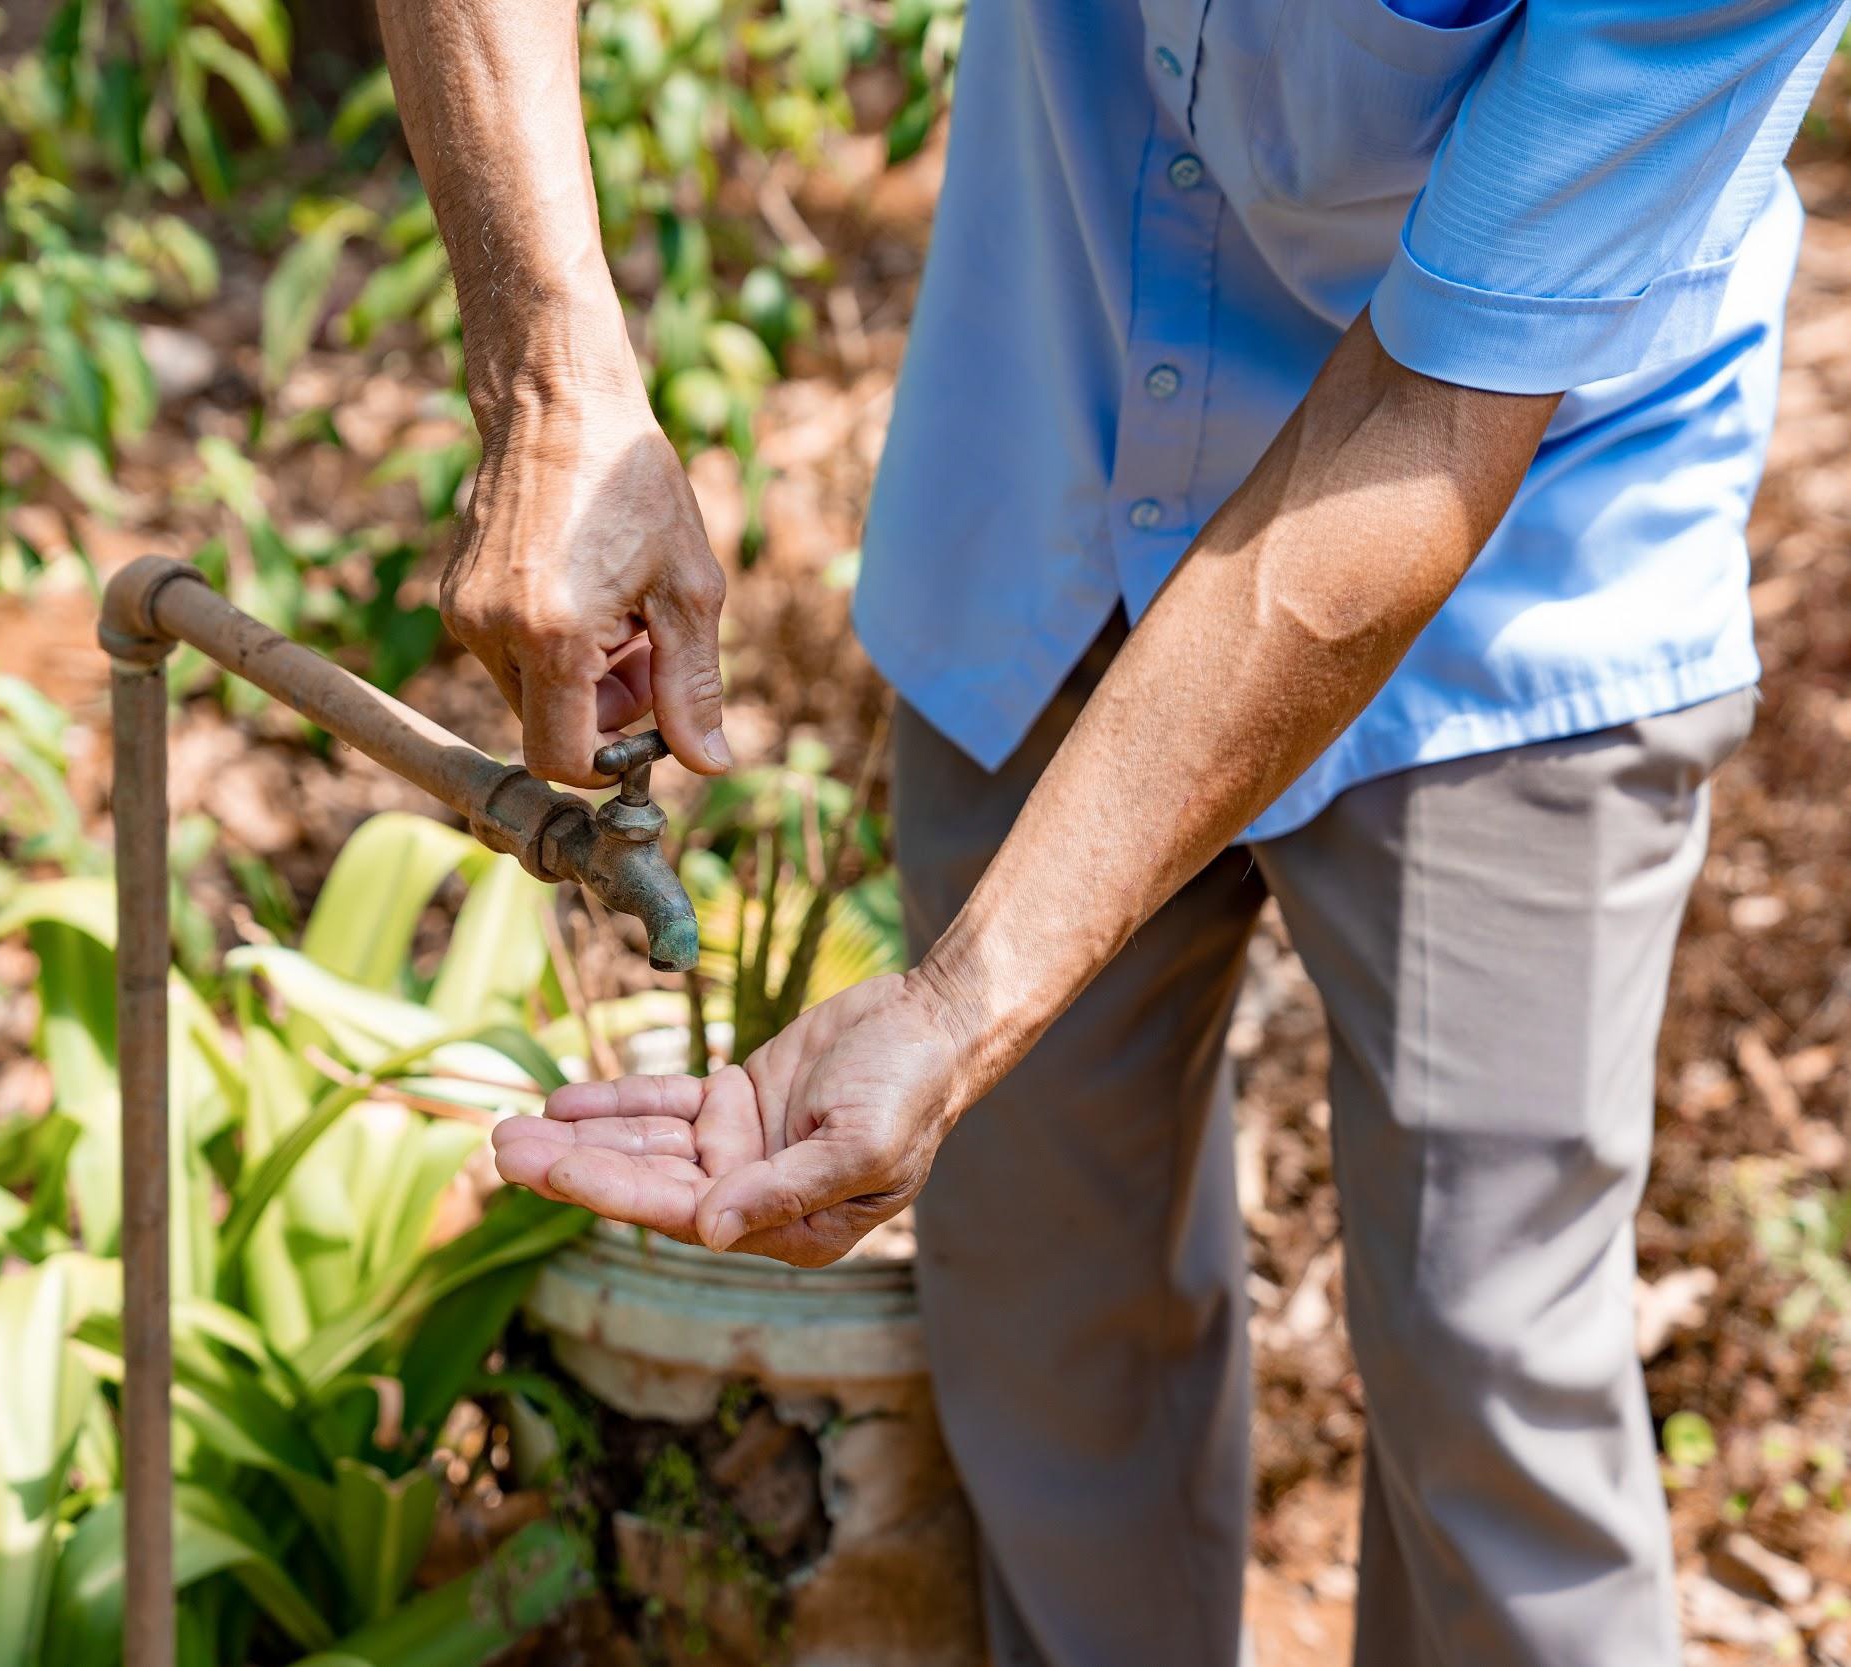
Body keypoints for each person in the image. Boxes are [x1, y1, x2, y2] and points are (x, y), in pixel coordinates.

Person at [371, 2, 1850, 1663]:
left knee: (1489, 1359)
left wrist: (954, 1006)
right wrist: (552, 367)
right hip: (1055, 430)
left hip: (1527, 529)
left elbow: (1414, 438)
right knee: (1049, 1328)